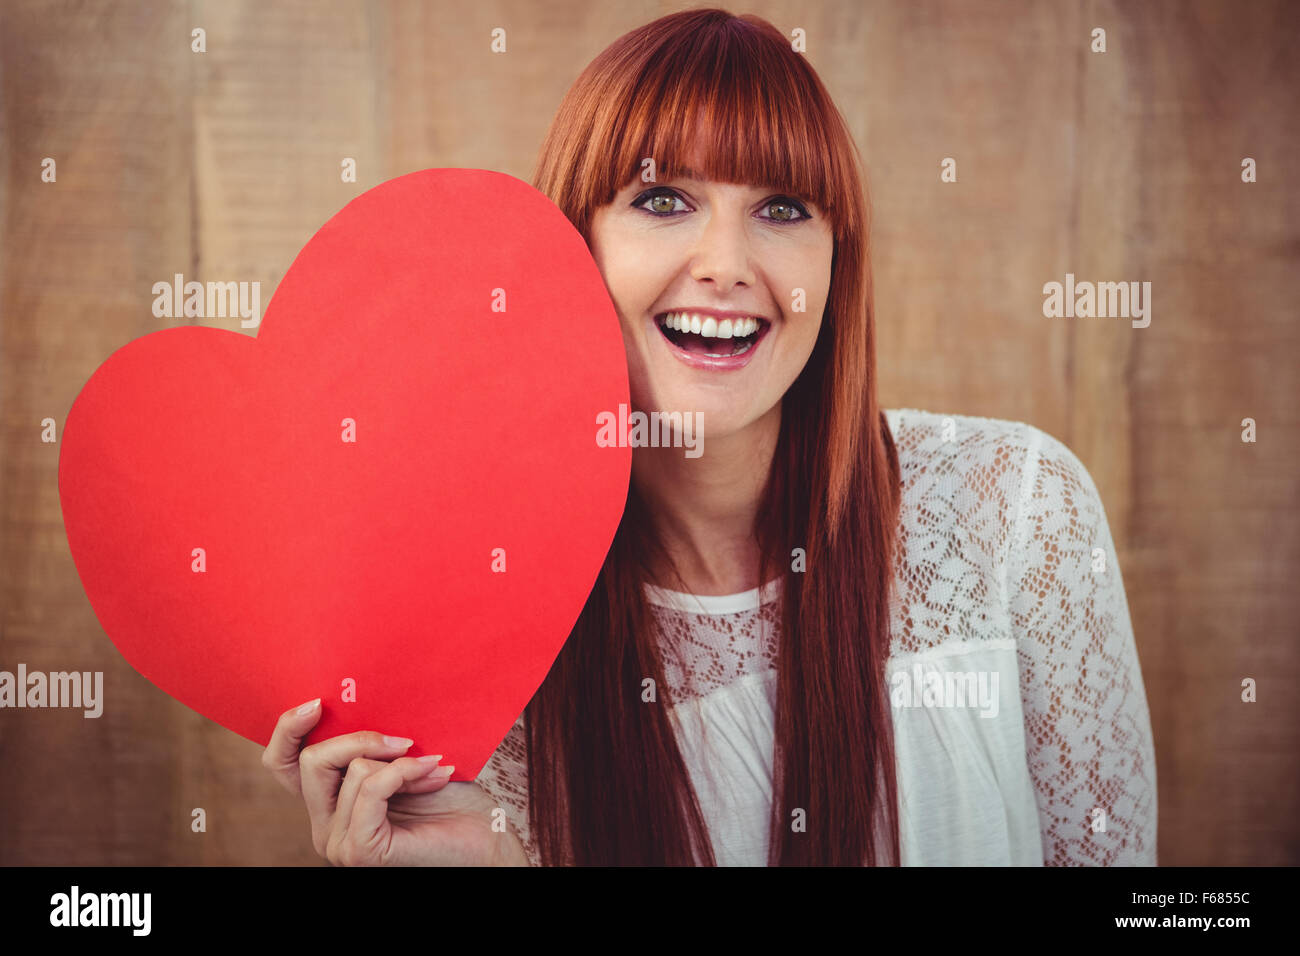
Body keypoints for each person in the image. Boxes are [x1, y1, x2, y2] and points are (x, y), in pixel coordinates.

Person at [261, 8, 1156, 866]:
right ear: (569, 247)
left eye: (782, 209)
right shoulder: (486, 639)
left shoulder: (1018, 507)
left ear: (838, 263)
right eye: (661, 198)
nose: (726, 265)